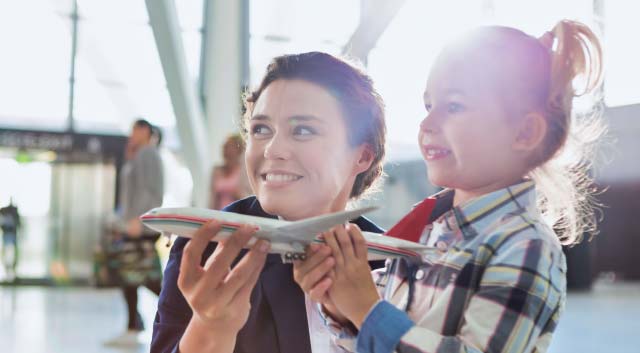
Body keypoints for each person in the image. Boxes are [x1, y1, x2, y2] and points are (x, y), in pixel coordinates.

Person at [294, 20, 604, 353]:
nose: (427, 124)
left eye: (454, 106)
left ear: (525, 133)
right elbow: (369, 342)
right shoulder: (428, 230)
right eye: (429, 106)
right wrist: (338, 305)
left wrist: (365, 311)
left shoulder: (526, 246)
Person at [151, 51, 387, 353]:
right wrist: (208, 331)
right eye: (261, 129)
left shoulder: (388, 262)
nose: (272, 149)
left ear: (362, 155)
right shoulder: (208, 252)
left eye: (303, 130)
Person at [105, 119, 165, 347]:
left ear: (145, 132)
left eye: (135, 130)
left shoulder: (148, 154)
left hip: (141, 227)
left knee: (147, 279)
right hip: (133, 225)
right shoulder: (138, 155)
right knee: (131, 277)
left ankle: (183, 307)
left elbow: (153, 191)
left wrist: (139, 221)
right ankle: (133, 325)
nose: (131, 134)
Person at [209, 134, 252, 210]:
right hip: (220, 215)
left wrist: (239, 194)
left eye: (229, 147)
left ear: (238, 150)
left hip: (239, 215)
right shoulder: (216, 170)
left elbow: (251, 199)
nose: (226, 150)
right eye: (224, 147)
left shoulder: (245, 170)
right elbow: (212, 200)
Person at [0, 198, 21, 281]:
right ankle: (7, 269)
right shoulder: (4, 212)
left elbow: (18, 223)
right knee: (6, 252)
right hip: (7, 234)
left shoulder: (14, 212)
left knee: (13, 252)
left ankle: (12, 269)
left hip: (12, 234)